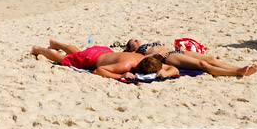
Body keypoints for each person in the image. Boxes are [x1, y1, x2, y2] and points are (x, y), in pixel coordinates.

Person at [30, 39, 178, 79]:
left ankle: (56, 43)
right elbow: (99, 71)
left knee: (78, 53)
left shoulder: (144, 59)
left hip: (104, 51)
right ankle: (38, 49)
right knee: (64, 60)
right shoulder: (125, 65)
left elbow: (174, 69)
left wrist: (167, 72)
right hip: (93, 58)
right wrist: (121, 75)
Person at [124, 39, 257, 77]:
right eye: (133, 41)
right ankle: (237, 72)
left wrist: (179, 49)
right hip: (168, 57)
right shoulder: (138, 52)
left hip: (175, 51)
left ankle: (238, 68)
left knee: (210, 59)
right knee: (202, 64)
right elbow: (143, 61)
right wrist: (154, 55)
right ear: (131, 48)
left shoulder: (149, 43)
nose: (136, 40)